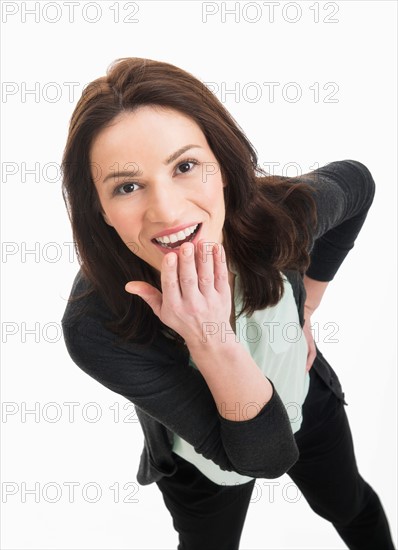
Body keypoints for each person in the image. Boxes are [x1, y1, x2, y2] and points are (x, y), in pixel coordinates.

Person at [60, 57, 395, 550]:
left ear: (222, 165)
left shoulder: (280, 219)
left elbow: (358, 183)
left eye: (185, 166)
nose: (168, 210)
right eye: (127, 186)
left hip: (303, 397)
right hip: (202, 456)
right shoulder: (97, 324)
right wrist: (208, 335)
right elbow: (262, 457)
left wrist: (307, 308)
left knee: (348, 506)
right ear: (100, 210)